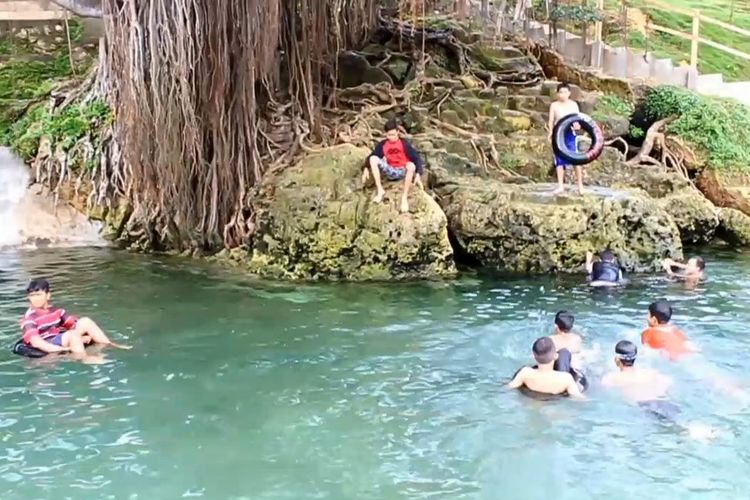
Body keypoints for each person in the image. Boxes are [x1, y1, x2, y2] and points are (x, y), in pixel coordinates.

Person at [19, 278, 131, 361]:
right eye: (32, 296)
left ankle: (109, 344)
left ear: (48, 295)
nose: (35, 299)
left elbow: (73, 324)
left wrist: (81, 336)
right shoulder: (30, 318)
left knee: (85, 321)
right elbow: (37, 342)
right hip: (47, 341)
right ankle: (84, 359)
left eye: (38, 295)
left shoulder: (57, 312)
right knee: (72, 335)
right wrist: (66, 348)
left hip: (59, 337)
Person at [362, 118, 424, 213]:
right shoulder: (383, 145)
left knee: (411, 165)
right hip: (390, 170)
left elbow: (416, 158)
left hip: (402, 170)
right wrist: (366, 168)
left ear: (398, 132)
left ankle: (404, 197)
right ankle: (380, 190)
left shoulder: (404, 144)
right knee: (373, 159)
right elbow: (372, 155)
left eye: (393, 135)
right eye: (389, 135)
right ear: (386, 134)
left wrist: (418, 174)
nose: (391, 137)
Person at [507, 337, 585, 399]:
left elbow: (508, 387)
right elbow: (578, 397)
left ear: (534, 356)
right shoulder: (565, 378)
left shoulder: (525, 373)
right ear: (556, 356)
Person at [548, 82, 583, 195]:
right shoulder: (554, 105)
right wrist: (550, 133)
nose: (563, 94)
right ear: (557, 94)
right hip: (558, 134)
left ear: (569, 93)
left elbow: (578, 119)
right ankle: (560, 186)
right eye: (561, 92)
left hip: (570, 133)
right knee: (559, 160)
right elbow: (551, 121)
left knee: (576, 159)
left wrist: (578, 126)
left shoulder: (573, 105)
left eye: (565, 92)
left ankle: (580, 186)